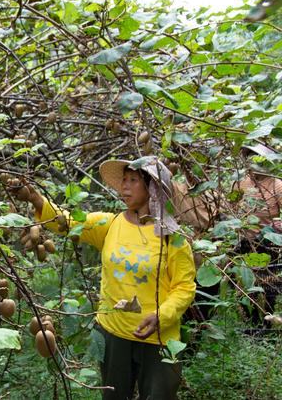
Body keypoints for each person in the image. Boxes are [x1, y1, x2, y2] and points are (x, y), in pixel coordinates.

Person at [21, 156, 196, 400]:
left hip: (159, 338)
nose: (124, 186)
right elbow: (68, 222)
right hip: (113, 334)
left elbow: (184, 287)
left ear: (153, 187)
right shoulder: (111, 223)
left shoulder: (173, 238)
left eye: (133, 180)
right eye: (123, 180)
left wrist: (161, 315)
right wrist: (36, 199)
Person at [233, 144, 282, 322]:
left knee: (268, 284)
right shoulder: (242, 182)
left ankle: (266, 320)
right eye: (251, 157)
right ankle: (251, 320)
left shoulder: (276, 185)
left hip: (267, 242)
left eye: (257, 157)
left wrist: (277, 225)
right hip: (245, 240)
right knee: (246, 283)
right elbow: (231, 207)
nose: (253, 162)